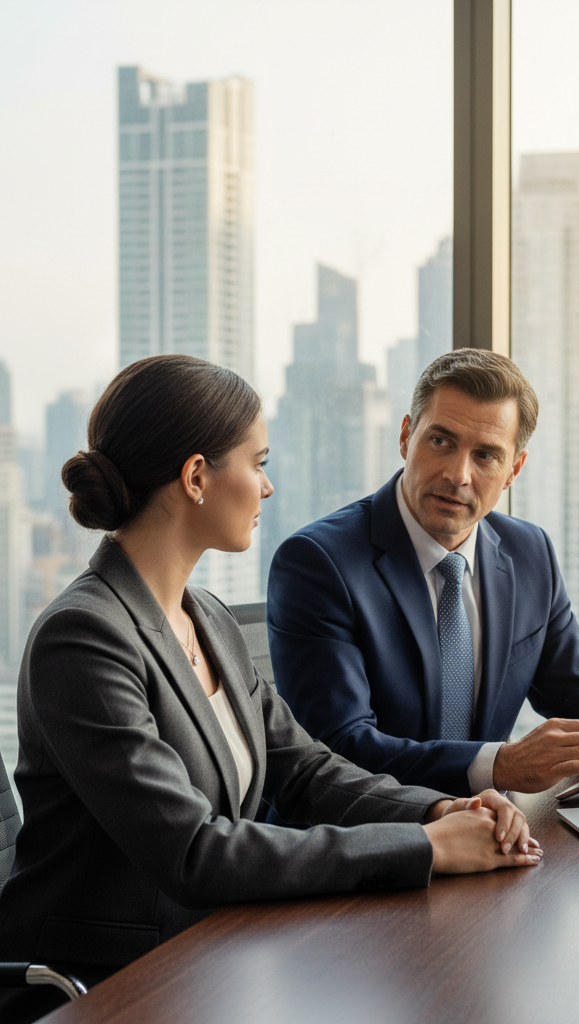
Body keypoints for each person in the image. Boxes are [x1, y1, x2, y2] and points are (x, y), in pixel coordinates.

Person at [0, 355, 538, 1024]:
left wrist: (440, 812)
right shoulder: (83, 636)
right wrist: (425, 850)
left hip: (214, 952)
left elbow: (303, 770)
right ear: (197, 477)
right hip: (106, 985)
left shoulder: (210, 618)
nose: (268, 486)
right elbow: (195, 851)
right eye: (257, 463)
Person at [267, 349, 579, 798]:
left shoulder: (528, 552)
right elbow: (337, 750)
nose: (458, 474)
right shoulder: (319, 563)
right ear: (406, 437)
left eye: (485, 455)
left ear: (514, 469)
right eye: (440, 441)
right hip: (369, 842)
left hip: (495, 836)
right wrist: (498, 766)